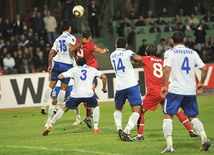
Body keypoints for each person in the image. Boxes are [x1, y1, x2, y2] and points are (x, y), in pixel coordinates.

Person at [132, 44, 198, 141]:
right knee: (177, 110)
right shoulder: (163, 61)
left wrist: (134, 61)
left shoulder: (145, 59)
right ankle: (191, 131)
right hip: (166, 89)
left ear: (146, 53)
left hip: (154, 92)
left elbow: (136, 60)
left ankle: (140, 134)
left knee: (140, 111)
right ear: (157, 53)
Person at [160, 31, 210, 153]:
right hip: (190, 90)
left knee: (168, 115)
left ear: (172, 41)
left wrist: (164, 85)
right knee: (192, 116)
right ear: (184, 39)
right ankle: (204, 138)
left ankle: (169, 146)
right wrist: (201, 83)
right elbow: (204, 68)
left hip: (175, 90)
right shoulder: (192, 52)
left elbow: (167, 69)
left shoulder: (170, 52)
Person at [42, 57, 107, 136]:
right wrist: (104, 88)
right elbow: (104, 76)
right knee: (96, 106)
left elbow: (60, 76)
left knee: (64, 109)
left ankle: (50, 125)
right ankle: (96, 128)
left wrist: (66, 76)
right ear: (85, 62)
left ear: (78, 63)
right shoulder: (92, 69)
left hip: (76, 95)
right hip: (88, 94)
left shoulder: (74, 70)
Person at [40, 20, 84, 114]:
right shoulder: (71, 37)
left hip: (57, 63)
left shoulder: (58, 39)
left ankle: (43, 105)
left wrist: (50, 65)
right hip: (66, 64)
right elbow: (71, 48)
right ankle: (58, 108)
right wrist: (81, 43)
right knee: (63, 88)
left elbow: (51, 52)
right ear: (69, 28)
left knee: (51, 86)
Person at [110, 37, 142, 141]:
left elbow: (123, 62)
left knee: (118, 108)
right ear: (126, 45)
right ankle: (127, 131)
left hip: (120, 86)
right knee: (137, 110)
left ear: (115, 45)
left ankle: (119, 128)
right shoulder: (128, 52)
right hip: (131, 85)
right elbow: (138, 58)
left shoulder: (112, 55)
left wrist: (132, 62)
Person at [76, 30, 109, 129]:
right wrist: (106, 50)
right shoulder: (90, 45)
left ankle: (87, 116)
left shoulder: (77, 43)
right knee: (90, 92)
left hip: (81, 71)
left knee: (88, 91)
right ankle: (88, 116)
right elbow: (101, 52)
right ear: (89, 37)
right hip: (90, 71)